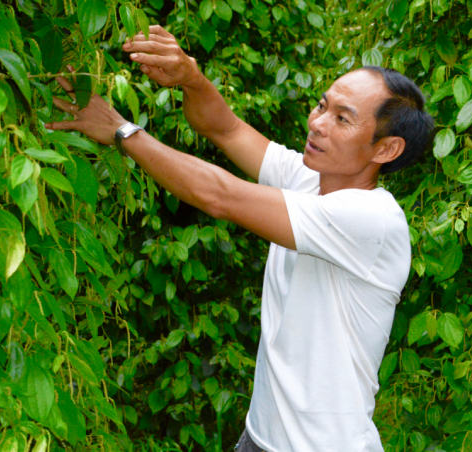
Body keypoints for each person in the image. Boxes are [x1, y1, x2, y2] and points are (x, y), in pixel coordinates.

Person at [45, 26, 434, 452]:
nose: (317, 123)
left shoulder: (372, 220)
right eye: (322, 105)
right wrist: (191, 78)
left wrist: (122, 131)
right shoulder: (310, 180)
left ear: (386, 150)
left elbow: (219, 196)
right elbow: (226, 129)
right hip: (259, 438)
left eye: (342, 118)